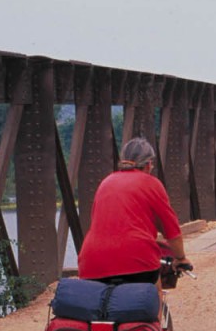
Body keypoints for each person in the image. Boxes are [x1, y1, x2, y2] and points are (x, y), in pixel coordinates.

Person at [77, 137, 192, 320]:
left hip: (91, 261)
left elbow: (105, 223)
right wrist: (180, 258)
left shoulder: (106, 182)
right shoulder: (151, 183)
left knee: (97, 312)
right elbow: (172, 232)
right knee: (154, 301)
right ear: (148, 164)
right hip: (138, 261)